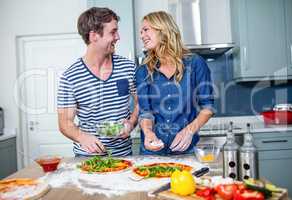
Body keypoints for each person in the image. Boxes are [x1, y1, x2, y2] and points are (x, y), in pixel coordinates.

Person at [57, 7, 138, 157]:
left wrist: (131, 122)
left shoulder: (128, 67)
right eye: (113, 32)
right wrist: (82, 137)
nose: (118, 37)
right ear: (94, 36)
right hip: (88, 159)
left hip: (124, 156)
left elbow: (141, 102)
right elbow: (65, 122)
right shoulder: (71, 77)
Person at [136, 11, 214, 155]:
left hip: (185, 150)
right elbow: (145, 112)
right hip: (152, 152)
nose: (142, 36)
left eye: (146, 30)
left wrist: (189, 131)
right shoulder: (143, 70)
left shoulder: (195, 63)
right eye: (141, 32)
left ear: (163, 29)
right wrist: (148, 132)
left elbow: (208, 107)